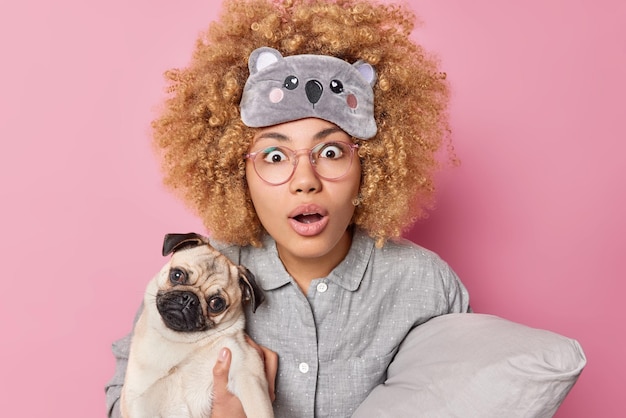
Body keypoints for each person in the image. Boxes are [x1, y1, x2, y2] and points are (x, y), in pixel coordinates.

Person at [105, 0, 471, 417]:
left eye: (331, 151)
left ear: (371, 163)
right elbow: (123, 404)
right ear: (233, 170)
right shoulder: (195, 271)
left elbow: (477, 398)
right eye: (275, 157)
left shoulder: (427, 287)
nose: (305, 179)